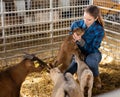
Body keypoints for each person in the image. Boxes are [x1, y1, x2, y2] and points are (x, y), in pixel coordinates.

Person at [64, 5, 105, 89]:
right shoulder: (75, 24)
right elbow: (69, 41)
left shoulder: (99, 29)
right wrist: (72, 41)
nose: (85, 21)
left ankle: (96, 77)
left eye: (89, 19)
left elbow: (93, 48)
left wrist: (81, 42)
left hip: (92, 54)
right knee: (67, 72)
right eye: (84, 18)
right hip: (77, 53)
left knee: (90, 62)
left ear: (96, 18)